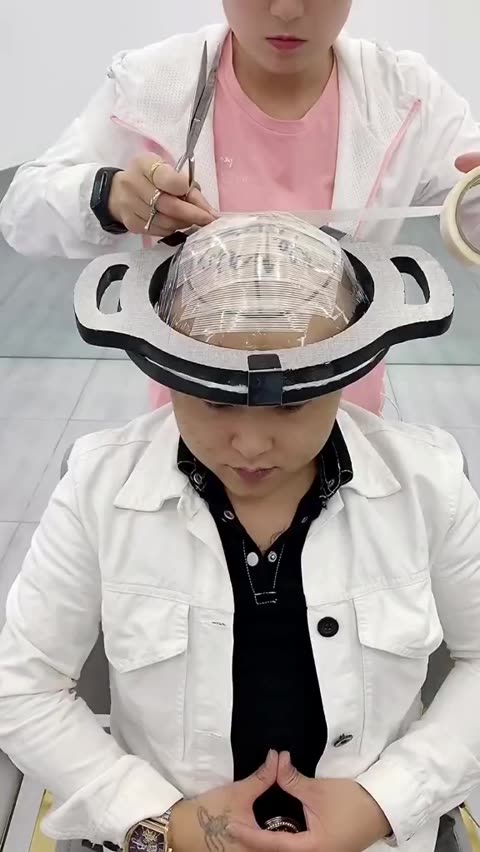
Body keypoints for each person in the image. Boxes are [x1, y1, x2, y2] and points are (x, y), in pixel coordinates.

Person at [0, 214, 479, 852]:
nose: (251, 445)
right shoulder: (98, 488)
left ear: (342, 375)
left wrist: (382, 803)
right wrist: (166, 826)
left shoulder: (428, 483)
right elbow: (25, 686)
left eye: (292, 404)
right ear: (170, 375)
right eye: (217, 400)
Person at [1, 0, 480, 414]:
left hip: (342, 410)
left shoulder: (406, 94)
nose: (287, 9)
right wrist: (109, 196)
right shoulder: (153, 84)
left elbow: (472, 216)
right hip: (198, 413)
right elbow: (22, 211)